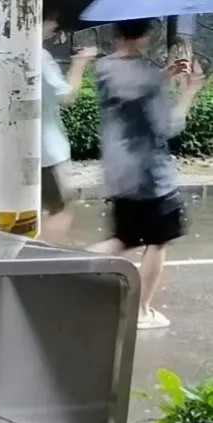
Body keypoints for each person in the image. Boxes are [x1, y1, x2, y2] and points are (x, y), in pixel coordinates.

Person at [87, 18, 205, 330]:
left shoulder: (106, 68)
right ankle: (142, 310)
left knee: (123, 239)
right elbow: (166, 127)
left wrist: (163, 76)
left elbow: (131, 95)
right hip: (151, 177)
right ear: (145, 37)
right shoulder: (148, 75)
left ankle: (73, 269)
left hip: (118, 170)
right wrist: (190, 92)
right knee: (158, 241)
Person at [39, 8, 97, 244]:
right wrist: (80, 64)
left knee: (31, 211)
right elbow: (66, 97)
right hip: (48, 151)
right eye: (51, 19)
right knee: (61, 211)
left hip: (24, 150)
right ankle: (35, 261)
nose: (55, 26)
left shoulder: (7, 52)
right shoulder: (39, 56)